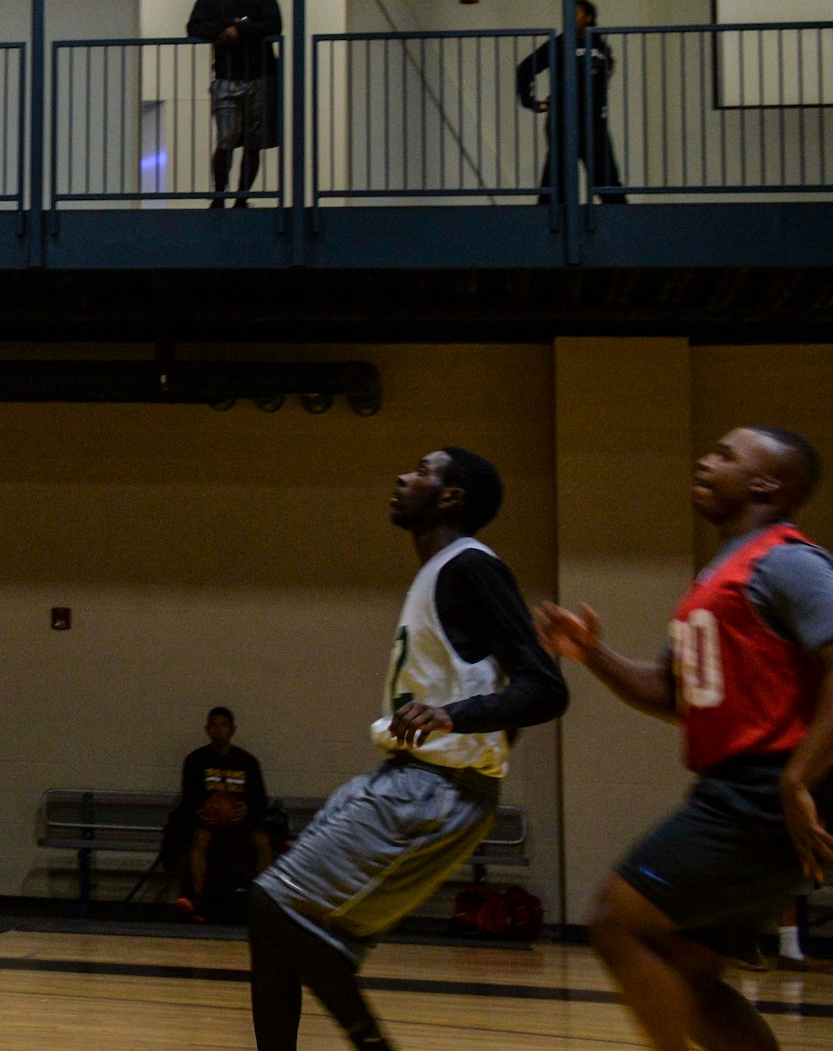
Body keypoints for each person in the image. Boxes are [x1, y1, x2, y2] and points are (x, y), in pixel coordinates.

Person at [248, 448, 568, 1050]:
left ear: (452, 496)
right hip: (404, 775)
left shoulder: (471, 565)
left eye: (423, 469)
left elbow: (544, 689)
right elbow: (508, 694)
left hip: (437, 789)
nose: (402, 476)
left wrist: (454, 716)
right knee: (274, 931)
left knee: (274, 909)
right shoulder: (439, 571)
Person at [538, 426, 833, 1051]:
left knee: (616, 922)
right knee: (689, 974)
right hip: (741, 788)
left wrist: (798, 777)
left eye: (725, 454)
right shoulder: (718, 576)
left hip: (767, 791)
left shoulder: (787, 561)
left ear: (765, 483)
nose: (704, 459)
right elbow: (675, 697)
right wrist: (591, 654)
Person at [187, 0, 282, 209]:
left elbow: (274, 24)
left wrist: (239, 29)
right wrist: (225, 28)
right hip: (226, 77)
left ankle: (242, 197)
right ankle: (219, 195)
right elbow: (193, 26)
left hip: (259, 76)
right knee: (226, 140)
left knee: (253, 143)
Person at [170, 706, 276, 922]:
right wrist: (202, 811)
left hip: (239, 820)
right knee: (199, 838)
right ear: (207, 730)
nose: (218, 730)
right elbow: (188, 798)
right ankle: (196, 900)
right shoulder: (195, 760)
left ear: (232, 730)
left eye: (223, 725)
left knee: (263, 840)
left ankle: (262, 903)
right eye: (214, 725)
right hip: (208, 821)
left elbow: (261, 800)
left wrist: (246, 808)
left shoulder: (247, 762)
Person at [517, 0, 626, 204]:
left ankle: (621, 227)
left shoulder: (601, 46)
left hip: (594, 123)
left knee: (607, 180)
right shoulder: (559, 43)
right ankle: (548, 229)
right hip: (563, 122)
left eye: (577, 13)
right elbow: (525, 68)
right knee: (557, 182)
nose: (571, 17)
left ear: (589, 17)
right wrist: (531, 102)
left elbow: (603, 76)